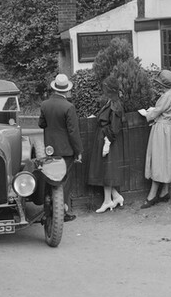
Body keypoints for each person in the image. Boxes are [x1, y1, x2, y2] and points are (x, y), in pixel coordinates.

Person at [38, 73, 83, 221]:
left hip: (50, 149)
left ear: (55, 88)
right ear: (66, 90)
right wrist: (78, 151)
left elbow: (41, 124)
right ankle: (61, 212)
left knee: (50, 178)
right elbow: (73, 132)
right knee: (64, 181)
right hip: (66, 150)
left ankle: (48, 210)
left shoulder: (45, 105)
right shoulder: (69, 107)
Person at [138, 69, 171, 208]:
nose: (159, 86)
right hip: (169, 128)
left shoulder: (167, 95)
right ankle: (164, 191)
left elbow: (157, 111)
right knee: (166, 158)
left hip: (162, 129)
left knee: (158, 159)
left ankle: (152, 195)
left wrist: (147, 114)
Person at [86, 76, 126, 213]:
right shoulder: (111, 102)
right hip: (103, 137)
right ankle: (115, 197)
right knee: (104, 170)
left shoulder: (115, 104)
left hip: (107, 139)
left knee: (106, 171)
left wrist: (107, 143)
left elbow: (115, 128)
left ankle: (108, 201)